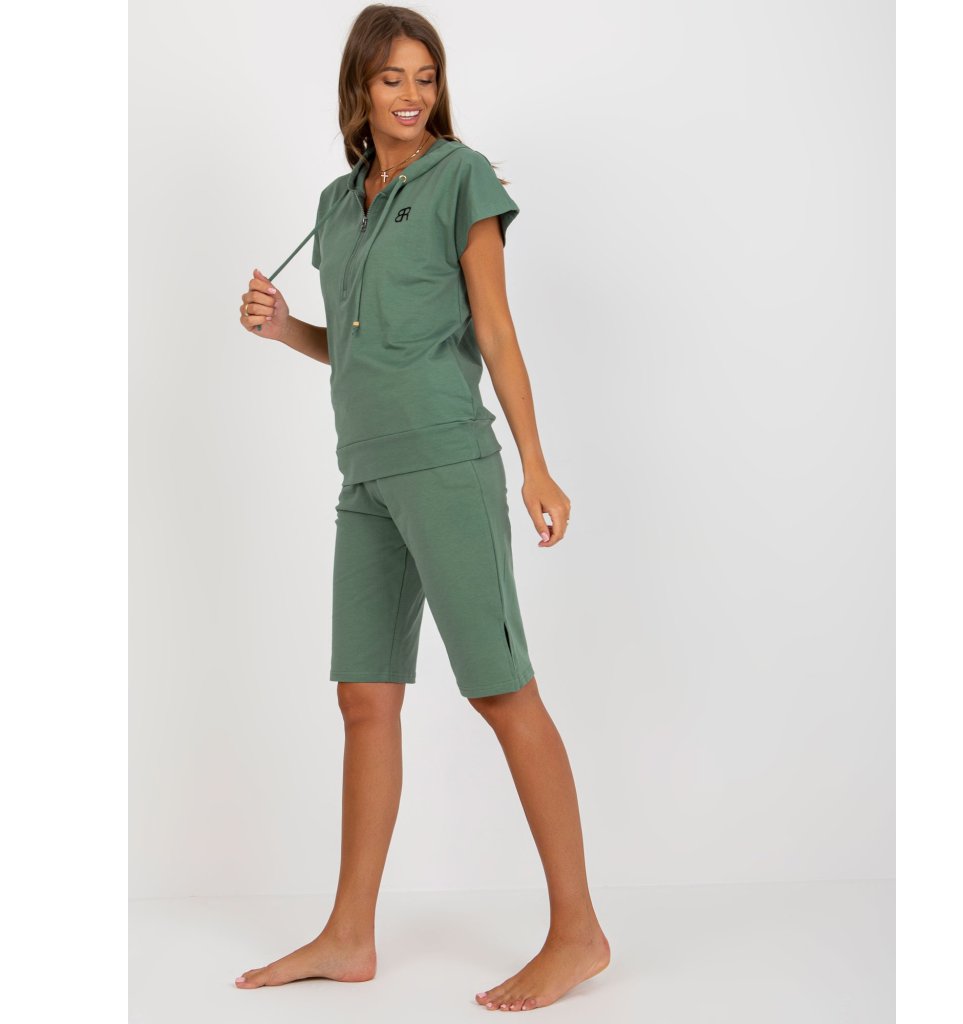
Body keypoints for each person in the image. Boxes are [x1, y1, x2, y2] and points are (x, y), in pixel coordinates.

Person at [234, 5, 609, 1012]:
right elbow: (358, 347)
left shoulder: (461, 178)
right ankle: (349, 934)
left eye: (425, 76)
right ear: (359, 88)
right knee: (364, 697)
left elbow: (493, 327)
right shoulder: (335, 202)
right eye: (391, 78)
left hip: (446, 464)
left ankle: (579, 932)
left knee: (501, 690)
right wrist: (286, 330)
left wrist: (535, 464)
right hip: (364, 477)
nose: (410, 95)